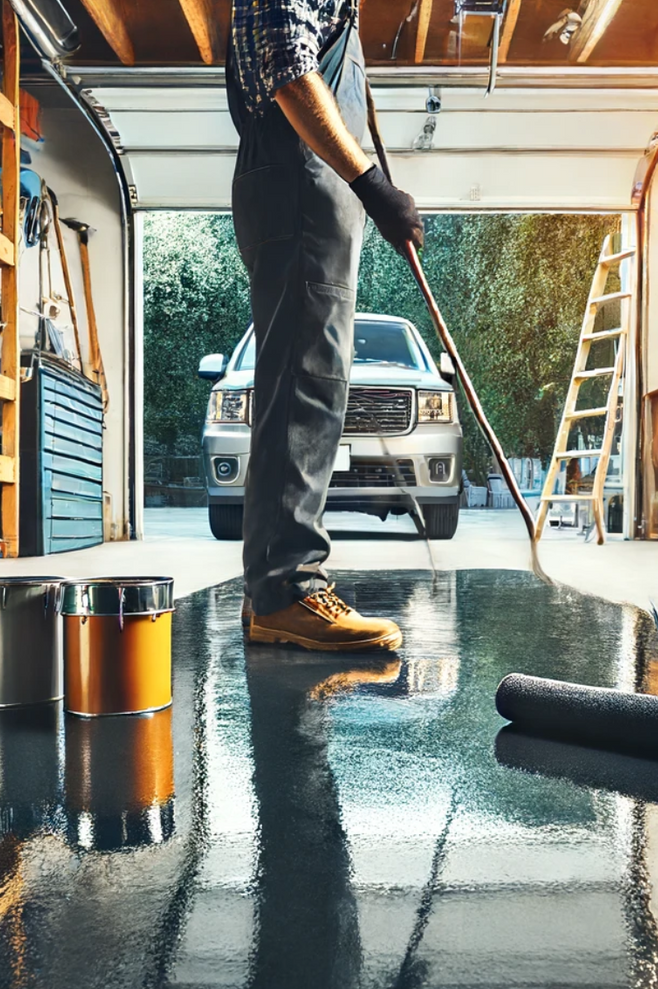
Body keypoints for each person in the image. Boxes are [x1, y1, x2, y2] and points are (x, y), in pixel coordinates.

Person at [228, 0, 425, 653]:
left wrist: (371, 186)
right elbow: (289, 69)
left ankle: (274, 592)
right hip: (298, 184)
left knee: (310, 380)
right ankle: (286, 589)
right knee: (303, 384)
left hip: (311, 189)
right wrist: (371, 185)